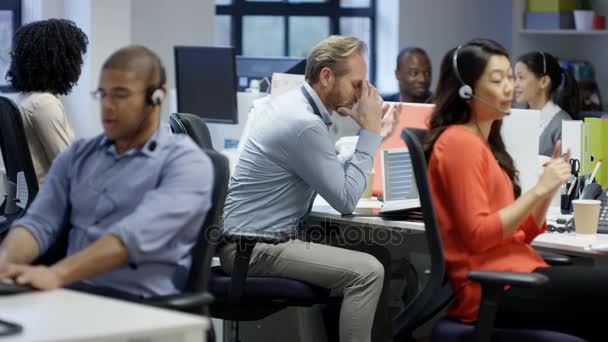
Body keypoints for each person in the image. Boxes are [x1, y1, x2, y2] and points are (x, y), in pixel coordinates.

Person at [425, 38, 608, 341]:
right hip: (494, 288)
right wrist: (538, 191)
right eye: (498, 80)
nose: (510, 87)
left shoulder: (484, 146)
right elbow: (479, 234)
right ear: (467, 90)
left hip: (520, 275)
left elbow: (523, 231)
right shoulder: (458, 143)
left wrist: (548, 188)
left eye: (511, 77)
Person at [0, 46, 213, 300]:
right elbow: (38, 223)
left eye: (120, 95)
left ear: (157, 97)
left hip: (143, 307)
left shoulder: (185, 163)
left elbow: (130, 237)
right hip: (74, 297)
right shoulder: (78, 155)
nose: (108, 107)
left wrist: (56, 275)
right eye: (102, 95)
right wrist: (5, 263)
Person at [220, 35, 396, 342]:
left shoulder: (294, 107)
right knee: (367, 271)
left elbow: (329, 177)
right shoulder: (303, 123)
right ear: (326, 76)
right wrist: (369, 133)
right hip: (253, 248)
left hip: (257, 240)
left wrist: (366, 136)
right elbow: (345, 199)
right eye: (356, 84)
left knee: (376, 251)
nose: (360, 95)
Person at [6, 19, 89, 183]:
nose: (79, 62)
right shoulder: (44, 104)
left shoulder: (26, 99)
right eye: (75, 55)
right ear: (61, 60)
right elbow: (70, 169)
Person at [514, 51, 581, 157]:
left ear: (544, 81)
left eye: (521, 77)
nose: (515, 84)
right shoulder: (516, 118)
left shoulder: (562, 124)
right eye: (515, 78)